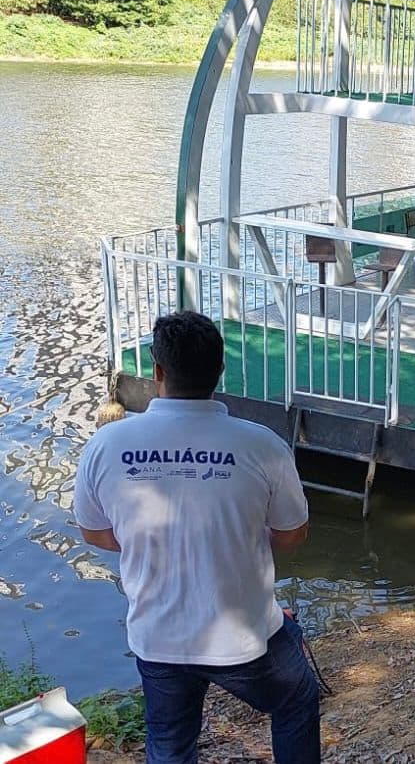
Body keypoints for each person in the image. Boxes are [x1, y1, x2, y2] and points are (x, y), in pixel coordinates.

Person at [74, 311, 319, 764]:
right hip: (244, 634)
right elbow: (292, 534)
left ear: (158, 372)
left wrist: (154, 539)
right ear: (219, 371)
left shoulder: (106, 446)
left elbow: (95, 532)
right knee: (296, 700)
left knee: (169, 743)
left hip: (157, 636)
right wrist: (232, 543)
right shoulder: (262, 444)